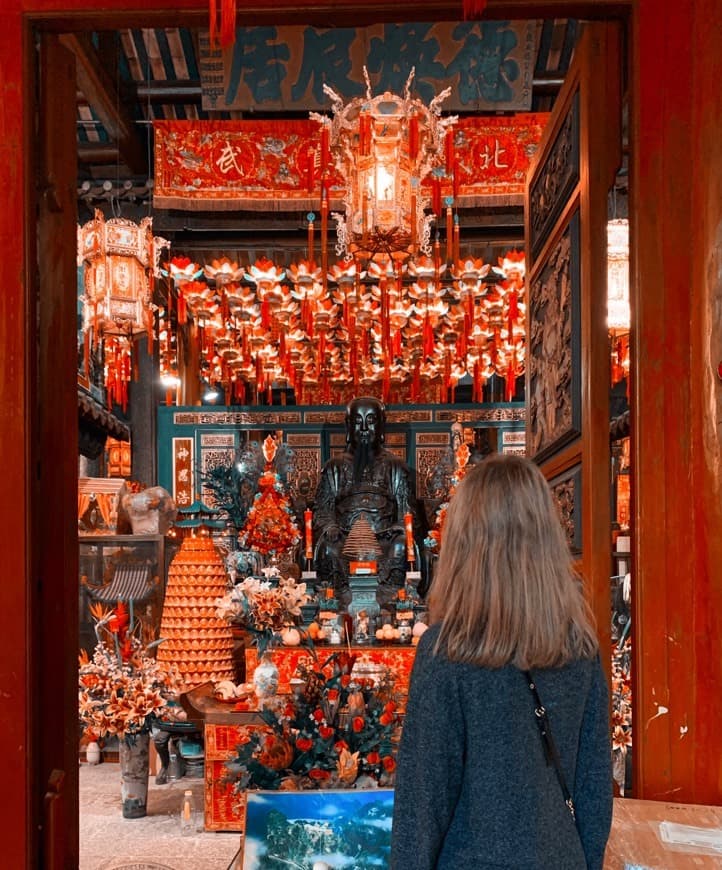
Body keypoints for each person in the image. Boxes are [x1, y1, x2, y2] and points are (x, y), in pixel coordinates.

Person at [391, 454, 612, 870]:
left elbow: (422, 810)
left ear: (464, 544)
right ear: (547, 541)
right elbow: (594, 792)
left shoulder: (447, 653)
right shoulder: (580, 647)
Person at [312, 396, 426, 607]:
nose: (364, 427)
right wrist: (329, 526)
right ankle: (339, 597)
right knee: (329, 547)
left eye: (371, 420)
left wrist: (399, 527)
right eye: (357, 421)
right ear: (348, 425)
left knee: (401, 545)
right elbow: (322, 509)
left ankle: (391, 598)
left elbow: (408, 512)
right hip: (345, 539)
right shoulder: (334, 467)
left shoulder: (396, 467)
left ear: (382, 425)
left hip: (384, 539)